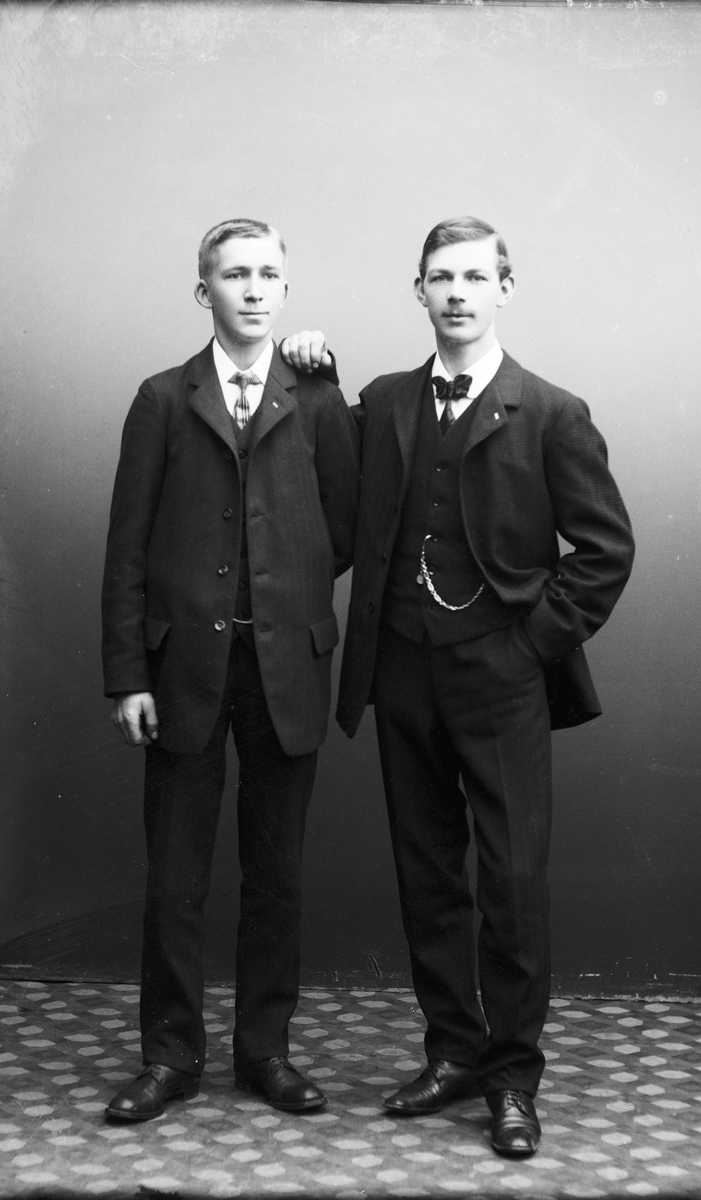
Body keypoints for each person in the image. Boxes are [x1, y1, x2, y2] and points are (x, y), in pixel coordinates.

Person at [281, 216, 634, 1156]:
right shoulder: (384, 399)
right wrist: (311, 369)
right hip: (400, 669)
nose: (458, 293)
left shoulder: (551, 411)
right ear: (420, 291)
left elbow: (605, 551)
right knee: (428, 874)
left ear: (504, 289)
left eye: (476, 277)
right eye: (441, 278)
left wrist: (528, 648)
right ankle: (453, 1053)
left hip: (500, 677)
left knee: (510, 882)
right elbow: (324, 473)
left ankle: (512, 1080)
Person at [101, 218, 359, 1121]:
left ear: (285, 288)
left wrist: (279, 590)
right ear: (202, 289)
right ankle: (170, 1057)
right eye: (234, 274)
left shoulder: (316, 397)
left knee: (275, 874)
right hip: (182, 671)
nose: (252, 289)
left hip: (285, 667)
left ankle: (265, 1052)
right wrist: (129, 675)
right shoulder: (161, 399)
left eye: (267, 274)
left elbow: (344, 529)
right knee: (175, 875)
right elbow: (127, 548)